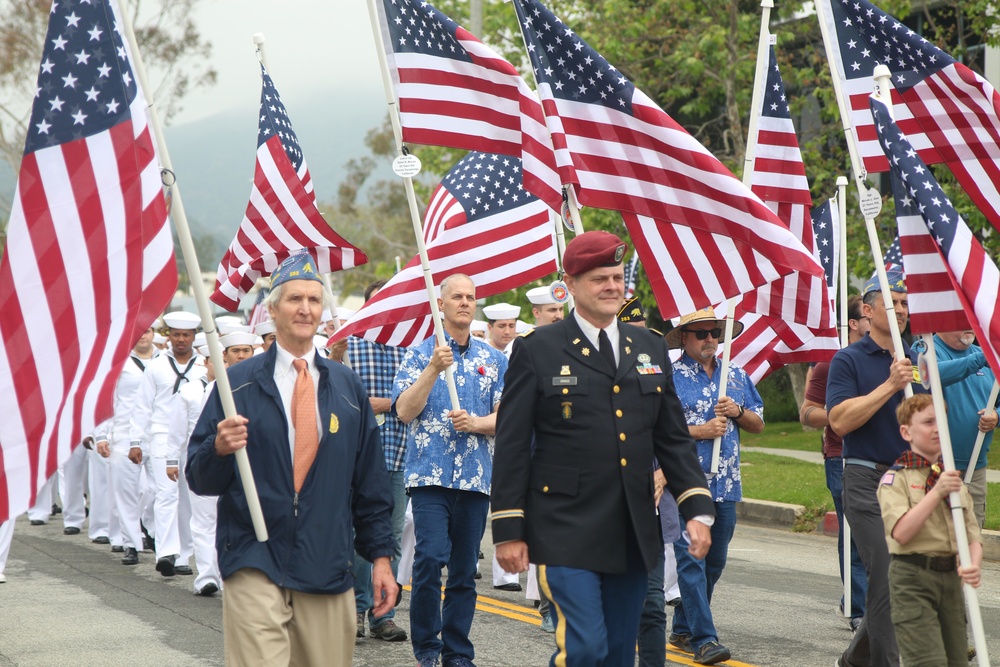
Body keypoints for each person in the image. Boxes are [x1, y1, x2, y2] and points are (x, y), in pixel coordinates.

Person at [492, 231, 714, 667]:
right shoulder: (538, 348)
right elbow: (514, 443)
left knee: (616, 653)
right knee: (584, 647)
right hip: (564, 527)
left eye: (616, 277)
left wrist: (697, 509)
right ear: (570, 284)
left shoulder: (649, 346)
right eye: (599, 279)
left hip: (631, 528)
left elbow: (670, 436)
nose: (612, 286)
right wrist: (508, 528)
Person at [187, 252, 395, 666]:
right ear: (272, 309)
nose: (305, 308)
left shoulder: (346, 388)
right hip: (254, 556)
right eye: (294, 299)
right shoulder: (237, 384)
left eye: (314, 300)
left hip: (326, 561)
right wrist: (219, 449)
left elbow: (370, 482)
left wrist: (381, 558)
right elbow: (200, 477)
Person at [392, 273, 507, 667]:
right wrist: (431, 371)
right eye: (456, 296)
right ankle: (427, 647)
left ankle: (457, 652)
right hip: (429, 477)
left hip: (476, 478)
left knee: (462, 571)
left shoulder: (494, 359)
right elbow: (404, 412)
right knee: (429, 558)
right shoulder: (419, 353)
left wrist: (475, 424)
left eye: (470, 297)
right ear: (439, 304)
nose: (464, 302)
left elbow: (508, 417)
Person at [827, 269, 927, 667]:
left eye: (905, 303)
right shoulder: (847, 359)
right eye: (891, 302)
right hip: (866, 478)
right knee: (886, 573)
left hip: (911, 480)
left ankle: (855, 658)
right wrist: (889, 385)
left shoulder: (919, 358)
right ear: (867, 311)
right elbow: (838, 421)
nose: (901, 309)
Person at [666, 306, 764, 665]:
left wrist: (737, 412)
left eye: (715, 333)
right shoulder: (669, 378)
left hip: (726, 482)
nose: (710, 339)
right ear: (685, 339)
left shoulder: (735, 375)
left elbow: (758, 422)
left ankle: (682, 624)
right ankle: (705, 639)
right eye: (702, 333)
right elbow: (656, 428)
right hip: (684, 483)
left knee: (715, 561)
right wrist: (701, 431)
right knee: (692, 559)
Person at [878, 394, 982, 667]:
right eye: (927, 422)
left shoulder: (953, 480)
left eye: (941, 421)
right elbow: (901, 532)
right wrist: (937, 492)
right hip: (913, 577)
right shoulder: (896, 479)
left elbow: (972, 534)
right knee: (928, 662)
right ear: (906, 431)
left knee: (956, 661)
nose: (937, 428)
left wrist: (973, 564)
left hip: (950, 581)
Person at [335, 279, 409, 642]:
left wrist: (385, 403)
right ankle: (356, 609)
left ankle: (383, 614)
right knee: (357, 536)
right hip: (355, 457)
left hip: (398, 453)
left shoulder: (410, 346)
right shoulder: (349, 344)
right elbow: (339, 394)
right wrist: (394, 403)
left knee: (390, 538)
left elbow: (417, 402)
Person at [618, 296, 684, 667]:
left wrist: (664, 471)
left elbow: (672, 434)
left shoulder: (655, 375)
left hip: (650, 509)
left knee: (653, 604)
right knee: (604, 606)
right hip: (603, 509)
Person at [799, 295, 869, 630]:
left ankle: (856, 598)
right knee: (854, 534)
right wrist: (844, 414)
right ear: (853, 323)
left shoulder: (893, 359)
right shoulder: (833, 363)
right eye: (867, 315)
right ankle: (858, 611)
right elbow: (807, 413)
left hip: (883, 457)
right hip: (840, 455)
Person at [130, 311, 205, 577]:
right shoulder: (157, 365)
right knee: (165, 494)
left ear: (194, 336)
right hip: (161, 436)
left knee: (188, 497)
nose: (181, 339)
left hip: (195, 436)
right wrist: (136, 441)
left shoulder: (203, 366)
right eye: (176, 334)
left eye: (186, 335)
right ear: (168, 336)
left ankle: (184, 554)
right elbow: (142, 407)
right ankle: (165, 552)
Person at [934, 330, 998, 527]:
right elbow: (933, 375)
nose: (968, 325)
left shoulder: (983, 355)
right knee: (938, 543)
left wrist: (997, 415)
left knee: (972, 540)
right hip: (937, 468)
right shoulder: (926, 350)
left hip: (976, 468)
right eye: (959, 319)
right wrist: (979, 359)